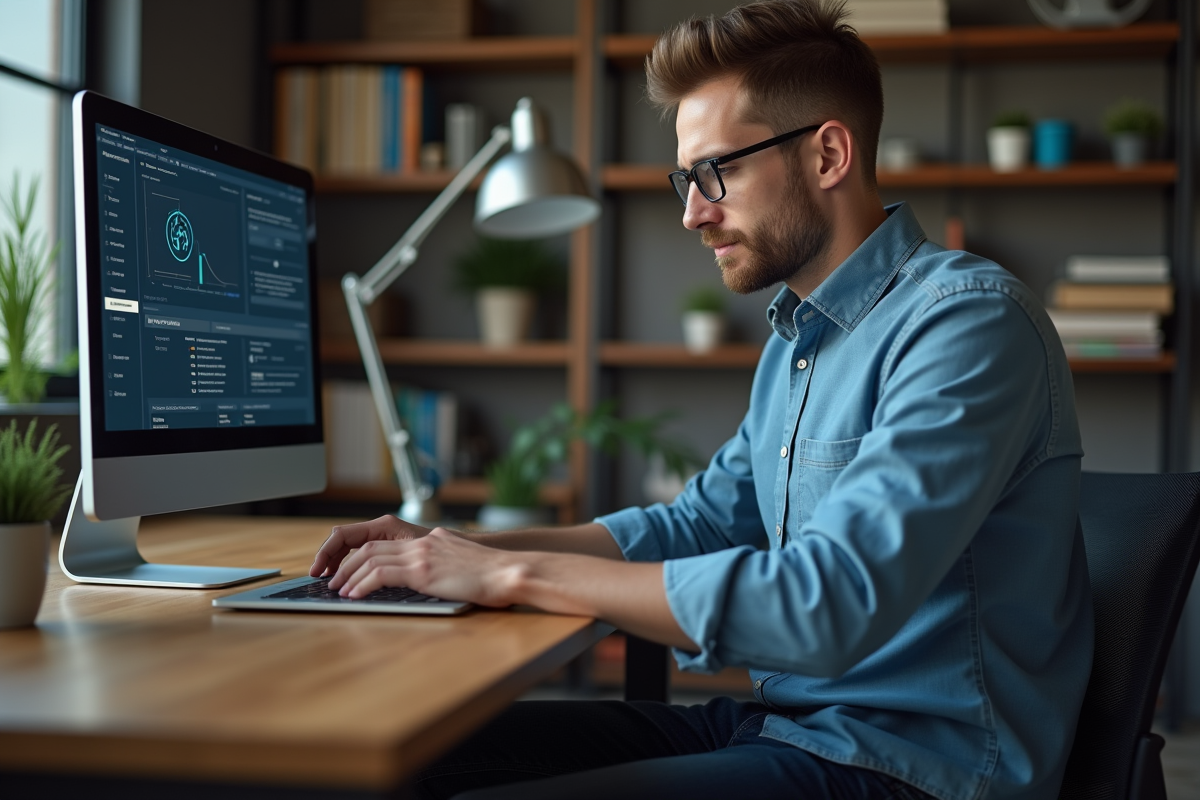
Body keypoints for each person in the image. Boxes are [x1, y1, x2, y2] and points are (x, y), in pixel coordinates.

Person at [309, 2, 1094, 798]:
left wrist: (511, 576)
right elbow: (698, 527)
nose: (692, 212)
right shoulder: (798, 337)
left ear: (827, 155)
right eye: (685, 179)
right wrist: (451, 552)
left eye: (717, 171)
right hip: (789, 727)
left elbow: (829, 603)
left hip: (914, 767)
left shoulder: (966, 324)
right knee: (388, 760)